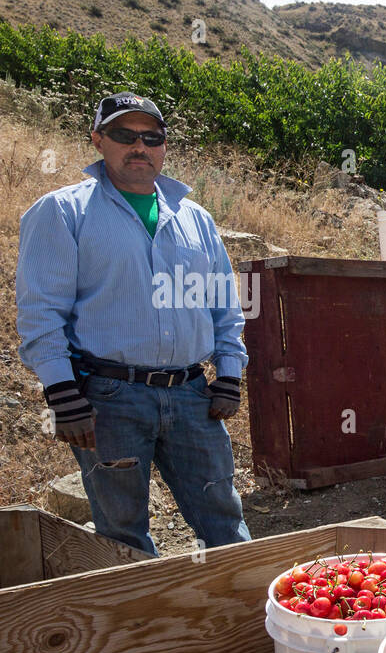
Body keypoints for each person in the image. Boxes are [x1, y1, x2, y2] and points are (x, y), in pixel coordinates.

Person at [16, 91, 251, 556]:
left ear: (164, 145)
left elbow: (224, 305)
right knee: (122, 530)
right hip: (108, 398)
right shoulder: (63, 213)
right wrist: (62, 395)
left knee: (223, 515)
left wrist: (228, 375)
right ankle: (144, 624)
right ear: (99, 140)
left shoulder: (196, 219)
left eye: (152, 137)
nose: (139, 147)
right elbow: (42, 313)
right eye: (125, 135)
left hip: (191, 396)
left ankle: (240, 616)